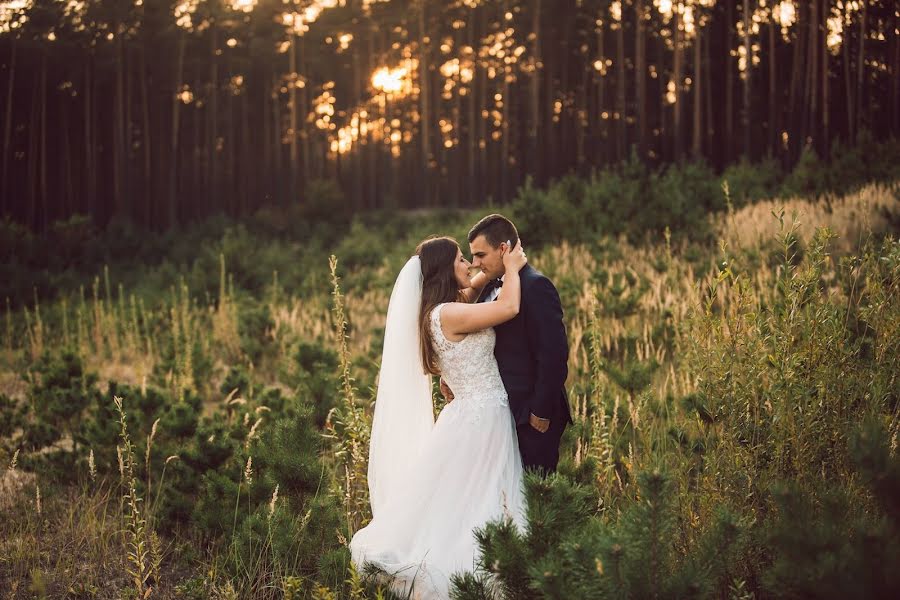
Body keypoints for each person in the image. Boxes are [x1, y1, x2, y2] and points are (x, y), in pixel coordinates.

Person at [350, 236, 529, 599]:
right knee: (484, 494)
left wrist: (488, 267)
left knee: (465, 497)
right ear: (445, 270)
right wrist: (511, 267)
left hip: (467, 412)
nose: (470, 265)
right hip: (484, 416)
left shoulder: (437, 310)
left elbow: (474, 284)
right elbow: (509, 307)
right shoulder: (450, 313)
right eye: (462, 260)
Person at [460, 213, 571, 475]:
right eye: (472, 256)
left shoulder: (536, 287)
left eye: (481, 255)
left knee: (534, 493)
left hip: (532, 415)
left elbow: (553, 356)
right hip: (502, 412)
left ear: (503, 249)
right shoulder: (490, 286)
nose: (475, 263)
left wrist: (540, 411)